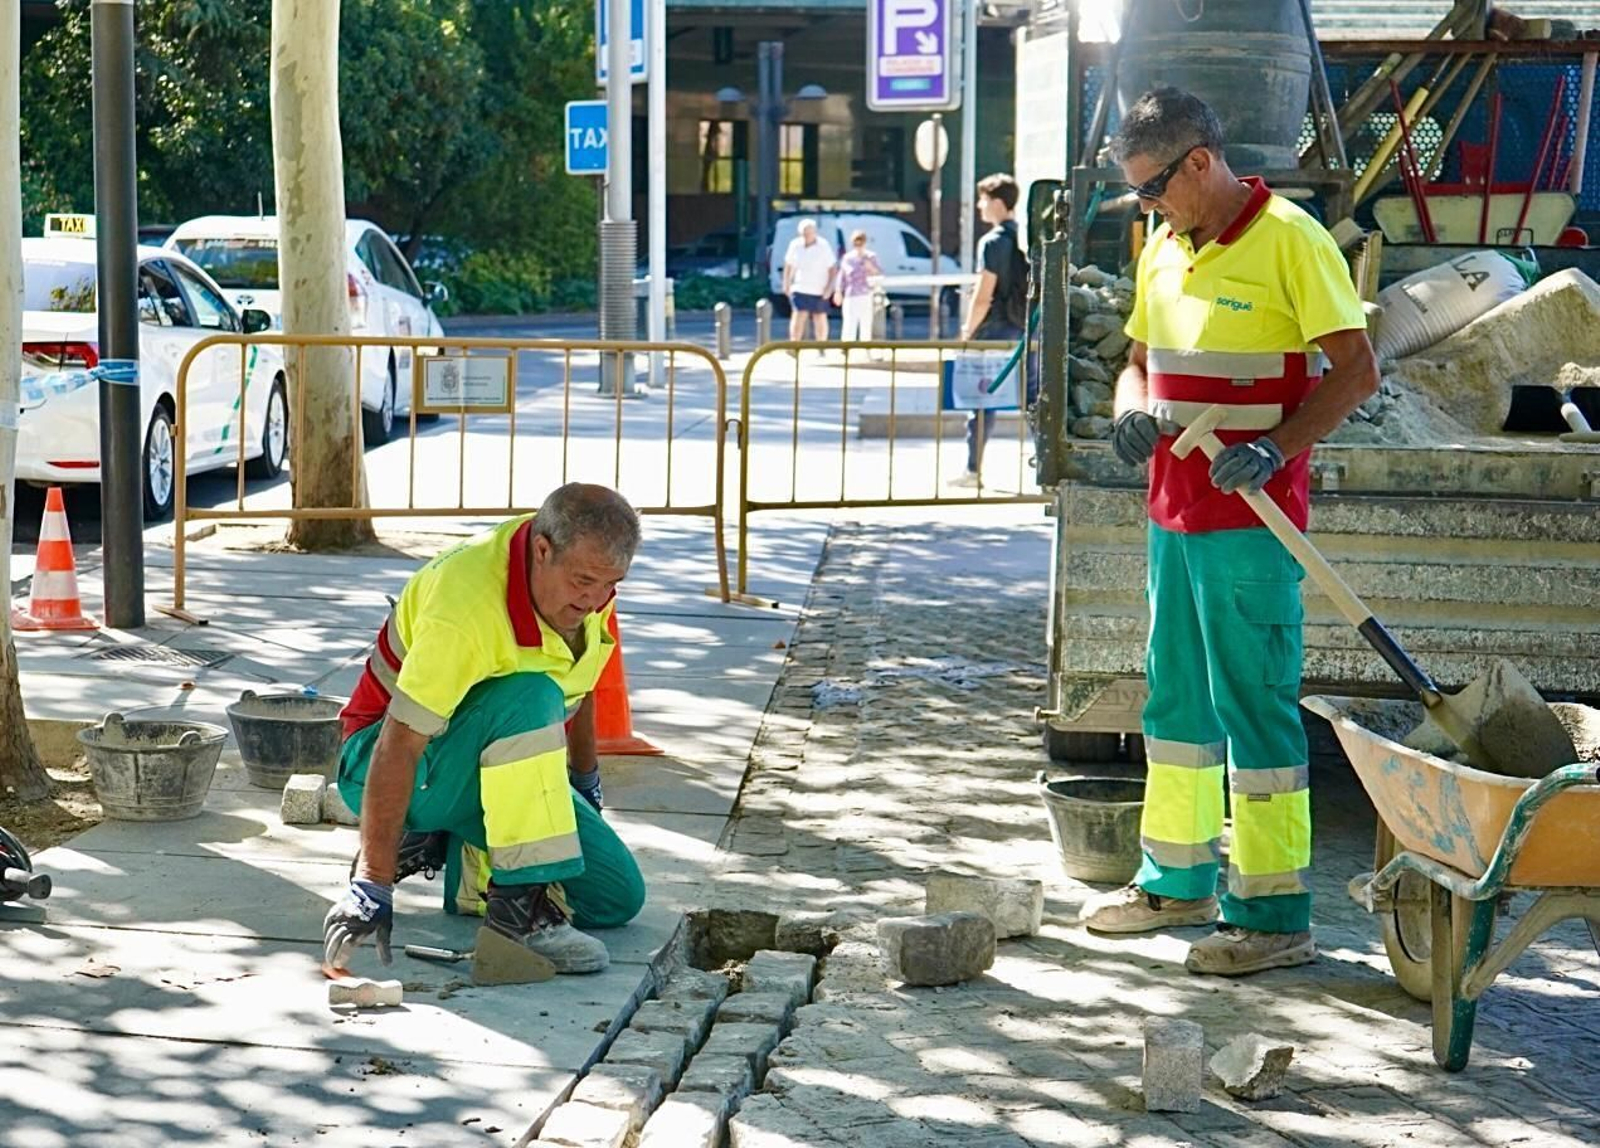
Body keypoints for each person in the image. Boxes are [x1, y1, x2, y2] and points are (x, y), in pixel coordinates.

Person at [1078, 87, 1378, 976]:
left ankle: (1274, 914)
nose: (1146, 205)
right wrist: (1133, 413)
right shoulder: (1166, 247)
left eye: (1154, 187)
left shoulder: (1292, 239)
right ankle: (1176, 881)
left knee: (1255, 712)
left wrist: (1278, 446)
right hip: (1173, 513)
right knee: (1175, 707)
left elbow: (1356, 370)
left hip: (1253, 522)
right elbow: (1139, 366)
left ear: (1200, 162)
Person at [322, 483, 647, 977]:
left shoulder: (586, 589)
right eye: (586, 581)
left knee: (615, 897)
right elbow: (398, 742)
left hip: (478, 767)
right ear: (542, 550)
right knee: (531, 694)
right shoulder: (466, 603)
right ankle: (518, 915)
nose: (598, 598)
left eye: (611, 583)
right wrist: (372, 883)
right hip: (384, 762)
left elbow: (580, 685)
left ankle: (446, 842)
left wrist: (585, 788)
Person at [953, 173, 1029, 488]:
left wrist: (967, 331)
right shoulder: (1025, 239)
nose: (980, 206)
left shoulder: (993, 241)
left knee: (982, 400)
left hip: (994, 330)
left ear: (998, 203)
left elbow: (984, 295)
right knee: (1033, 399)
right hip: (1022, 328)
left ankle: (973, 471)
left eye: (983, 199)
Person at [782, 218, 837, 347]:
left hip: (819, 288)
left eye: (809, 232)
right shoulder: (795, 245)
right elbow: (788, 265)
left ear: (815, 232)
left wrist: (829, 288)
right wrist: (786, 283)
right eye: (804, 233)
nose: (807, 236)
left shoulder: (823, 246)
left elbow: (832, 268)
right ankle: (794, 346)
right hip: (800, 286)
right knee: (798, 316)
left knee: (819, 317)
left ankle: (821, 346)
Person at [833, 229, 882, 346]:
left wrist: (870, 267)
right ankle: (846, 348)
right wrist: (838, 291)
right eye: (856, 243)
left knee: (866, 324)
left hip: (866, 293)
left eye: (861, 242)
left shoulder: (871, 257)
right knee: (849, 323)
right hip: (851, 294)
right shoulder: (847, 258)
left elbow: (879, 274)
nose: (858, 245)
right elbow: (842, 276)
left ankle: (866, 348)